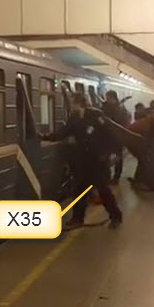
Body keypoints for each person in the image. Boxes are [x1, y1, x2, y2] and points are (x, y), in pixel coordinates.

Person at [42, 92, 123, 229]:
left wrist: (111, 153)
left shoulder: (96, 116)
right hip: (82, 162)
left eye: (73, 102)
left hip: (98, 162)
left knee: (103, 190)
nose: (71, 105)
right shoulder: (74, 119)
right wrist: (46, 137)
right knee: (79, 191)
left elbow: (110, 135)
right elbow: (62, 133)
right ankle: (77, 218)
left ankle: (116, 216)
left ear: (79, 103)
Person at [101, 90, 130, 184]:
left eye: (108, 98)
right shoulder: (118, 107)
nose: (107, 100)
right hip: (112, 137)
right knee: (113, 156)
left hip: (116, 137)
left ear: (113, 98)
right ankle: (110, 176)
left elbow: (114, 122)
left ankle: (115, 177)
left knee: (117, 157)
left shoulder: (118, 109)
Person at [126, 103, 154, 187]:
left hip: (133, 143)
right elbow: (147, 136)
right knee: (144, 161)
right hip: (135, 143)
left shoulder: (146, 121)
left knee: (142, 162)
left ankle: (138, 180)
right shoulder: (147, 123)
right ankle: (143, 181)